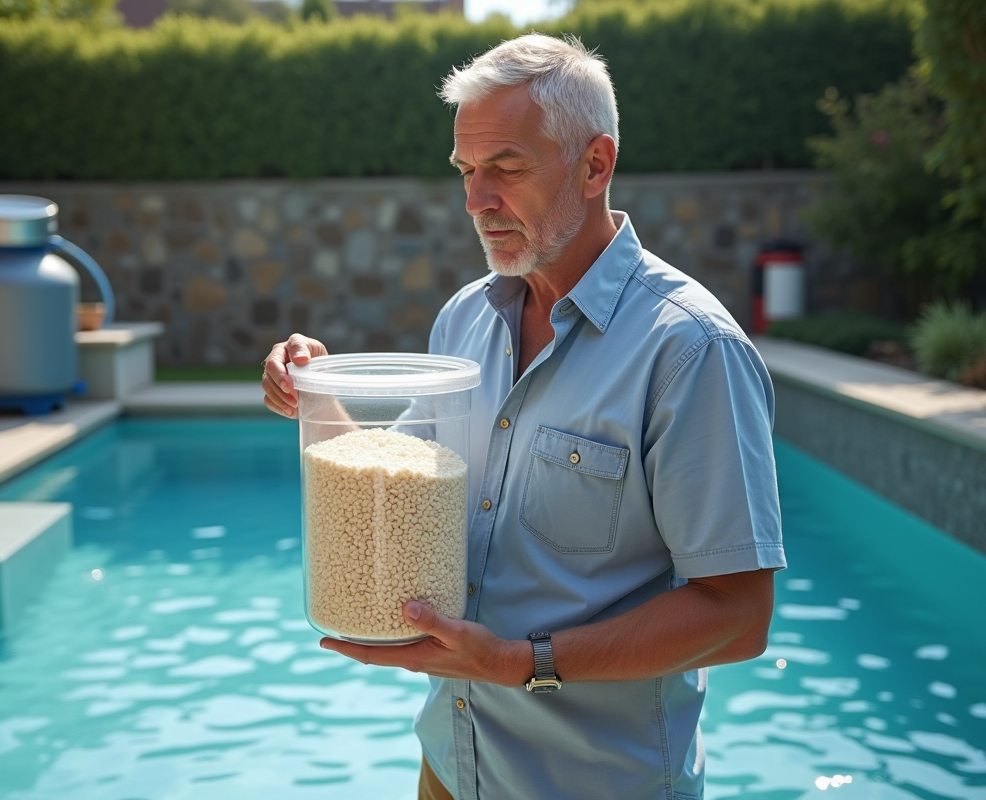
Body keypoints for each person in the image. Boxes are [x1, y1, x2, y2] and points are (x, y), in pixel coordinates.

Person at [261, 34, 785, 800]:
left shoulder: (690, 350)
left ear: (595, 164)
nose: (476, 200)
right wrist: (314, 394)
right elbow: (396, 496)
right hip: (452, 763)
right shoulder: (463, 323)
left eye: (506, 167)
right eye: (467, 171)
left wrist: (520, 663)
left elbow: (739, 617)